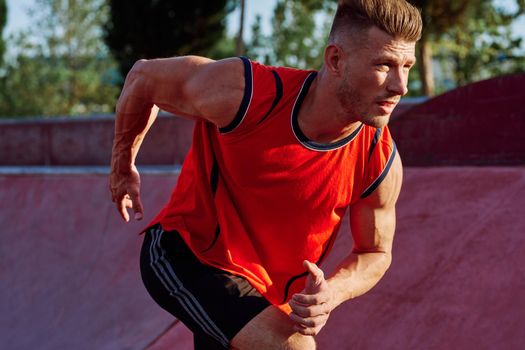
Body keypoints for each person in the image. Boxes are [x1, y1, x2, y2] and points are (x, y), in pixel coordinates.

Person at [109, 0, 422, 349]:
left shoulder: (378, 157)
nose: (401, 85)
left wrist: (333, 293)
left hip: (266, 295)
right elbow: (143, 78)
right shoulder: (248, 94)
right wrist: (123, 164)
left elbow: (375, 252)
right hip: (189, 254)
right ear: (335, 60)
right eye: (384, 65)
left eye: (407, 66)